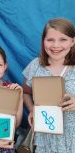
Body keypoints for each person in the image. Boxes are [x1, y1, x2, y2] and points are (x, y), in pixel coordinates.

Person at [23, 18, 75, 153]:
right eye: (50, 39)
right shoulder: (35, 65)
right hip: (45, 140)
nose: (55, 45)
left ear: (72, 41)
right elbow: (26, 92)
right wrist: (31, 108)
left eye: (63, 39)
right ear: (43, 41)